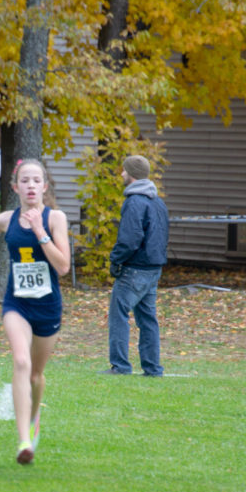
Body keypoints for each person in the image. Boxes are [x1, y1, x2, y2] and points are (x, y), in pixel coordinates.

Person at [0, 158, 70, 464]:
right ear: (14, 187)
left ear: (44, 186)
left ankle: (34, 418)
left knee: (37, 375)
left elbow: (64, 267)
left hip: (48, 305)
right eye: (24, 181)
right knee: (20, 361)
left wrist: (41, 232)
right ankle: (23, 441)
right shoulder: (7, 218)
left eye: (36, 180)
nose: (30, 186)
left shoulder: (56, 218)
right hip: (17, 302)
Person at [100, 154, 169, 377]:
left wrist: (116, 259)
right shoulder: (158, 202)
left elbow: (130, 238)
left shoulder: (134, 202)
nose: (121, 174)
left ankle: (120, 366)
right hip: (153, 268)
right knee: (148, 319)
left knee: (118, 314)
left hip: (135, 268)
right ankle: (152, 368)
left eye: (124, 170)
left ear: (131, 175)